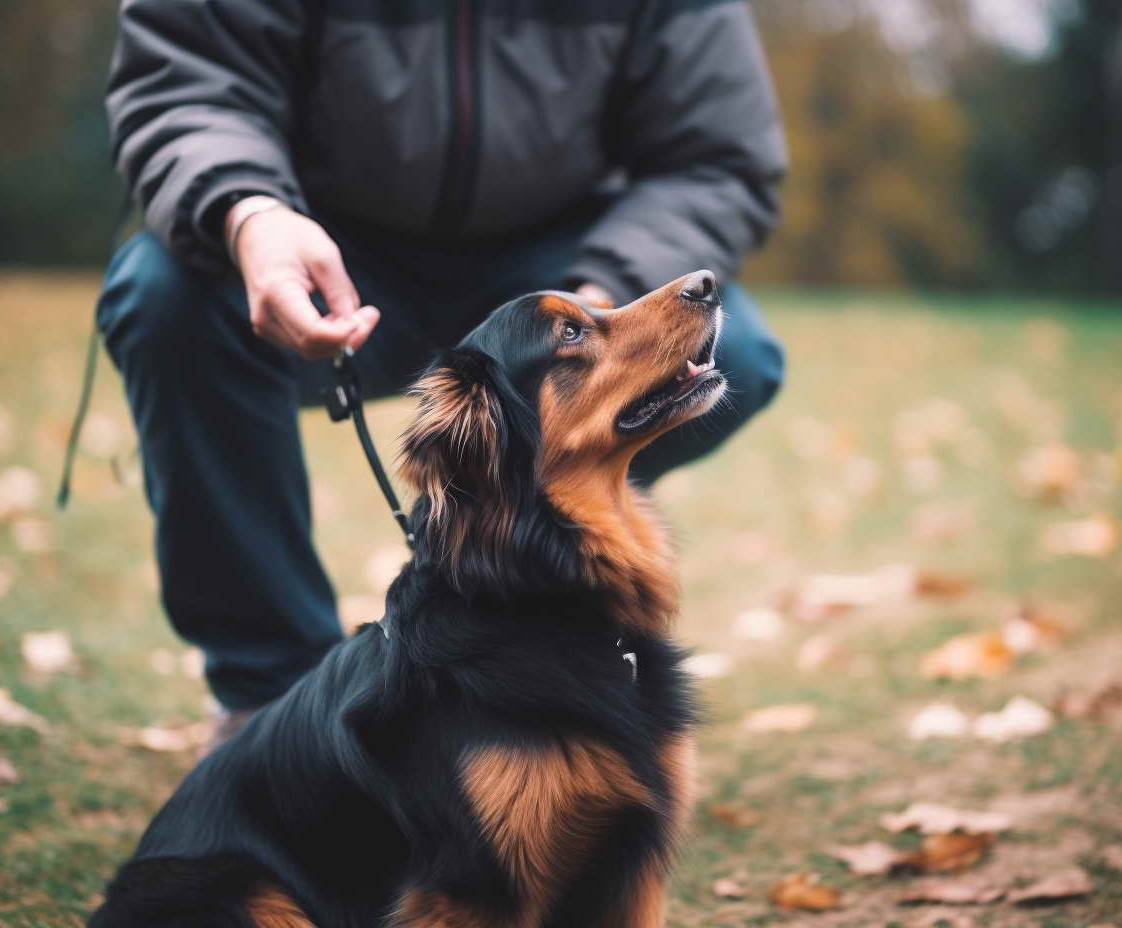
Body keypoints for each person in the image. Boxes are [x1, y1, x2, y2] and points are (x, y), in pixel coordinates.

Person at [99, 0, 788, 734]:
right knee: (161, 295)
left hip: (563, 259)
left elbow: (717, 156)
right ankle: (268, 702)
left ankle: (540, 613)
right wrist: (250, 212)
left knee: (735, 350)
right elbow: (188, 80)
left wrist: (598, 303)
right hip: (320, 238)